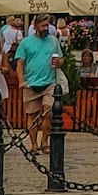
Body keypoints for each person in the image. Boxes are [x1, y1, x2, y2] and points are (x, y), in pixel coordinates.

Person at [14, 13, 64, 152]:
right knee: (32, 115)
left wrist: (59, 62)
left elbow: (61, 59)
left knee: (49, 112)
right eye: (42, 26)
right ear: (35, 26)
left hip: (49, 82)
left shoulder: (53, 41)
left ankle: (44, 142)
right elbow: (20, 63)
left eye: (47, 25)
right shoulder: (26, 42)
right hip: (31, 83)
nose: (45, 28)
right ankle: (34, 144)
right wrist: (21, 80)